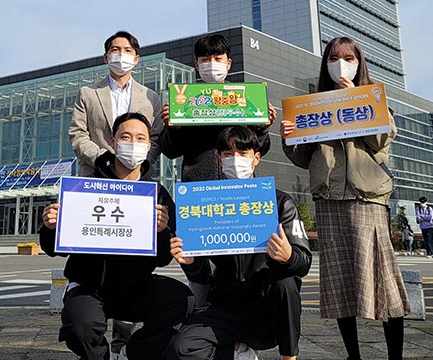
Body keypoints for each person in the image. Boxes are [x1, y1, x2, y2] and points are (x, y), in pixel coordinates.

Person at [281, 36, 410, 360]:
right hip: (328, 199)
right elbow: (303, 158)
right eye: (334, 58)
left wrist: (352, 98)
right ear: (325, 64)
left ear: (359, 62)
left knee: (383, 281)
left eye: (349, 58)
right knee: (339, 282)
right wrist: (289, 138)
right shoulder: (312, 104)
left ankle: (395, 355)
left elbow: (381, 139)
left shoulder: (373, 97)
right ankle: (354, 355)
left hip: (366, 197)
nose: (341, 63)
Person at [40, 112, 194, 360]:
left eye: (140, 138)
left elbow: (164, 258)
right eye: (126, 137)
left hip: (136, 287)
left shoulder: (158, 195)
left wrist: (162, 231)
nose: (133, 143)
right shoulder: (84, 187)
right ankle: (101, 356)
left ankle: (132, 351)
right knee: (81, 326)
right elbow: (55, 247)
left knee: (183, 300)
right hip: (89, 287)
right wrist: (50, 226)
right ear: (112, 142)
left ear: (148, 145)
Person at [164, 126, 312, 360]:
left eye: (242, 153)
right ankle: (236, 351)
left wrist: (288, 256)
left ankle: (289, 357)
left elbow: (303, 262)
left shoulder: (281, 201)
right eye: (227, 153)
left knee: (285, 282)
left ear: (256, 158)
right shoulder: (205, 205)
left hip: (265, 312)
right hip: (225, 306)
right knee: (180, 348)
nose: (235, 160)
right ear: (220, 160)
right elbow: (204, 276)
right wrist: (191, 262)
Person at [158, 33, 276, 310]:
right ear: (196, 65)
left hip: (240, 191)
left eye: (217, 59)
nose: (212, 64)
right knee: (200, 265)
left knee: (242, 263)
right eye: (205, 59)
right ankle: (201, 324)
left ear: (228, 63)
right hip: (200, 192)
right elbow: (169, 149)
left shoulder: (244, 99)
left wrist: (263, 126)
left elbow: (259, 148)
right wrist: (172, 125)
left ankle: (242, 335)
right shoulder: (186, 100)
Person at [69, 31, 163, 177]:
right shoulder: (88, 93)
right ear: (106, 58)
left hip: (136, 176)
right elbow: (78, 134)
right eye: (115, 50)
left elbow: (156, 137)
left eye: (127, 50)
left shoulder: (150, 97)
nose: (121, 55)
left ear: (136, 59)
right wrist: (102, 159)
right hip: (95, 171)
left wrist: (142, 162)